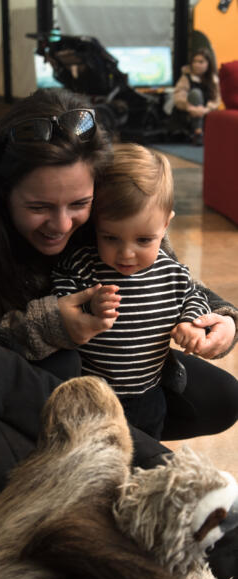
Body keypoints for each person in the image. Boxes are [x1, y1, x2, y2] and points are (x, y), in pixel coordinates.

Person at [0, 87, 238, 448]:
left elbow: (168, 275)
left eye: (79, 204)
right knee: (63, 365)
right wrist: (50, 326)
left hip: (126, 384)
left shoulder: (109, 201)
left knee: (223, 397)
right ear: (2, 192)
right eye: (39, 207)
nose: (63, 224)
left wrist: (222, 319)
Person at [51, 144, 211, 439]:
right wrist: (88, 307)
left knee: (145, 452)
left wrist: (192, 324)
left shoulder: (172, 272)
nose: (126, 253)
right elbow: (61, 298)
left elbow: (194, 297)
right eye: (110, 237)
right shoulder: (85, 266)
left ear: (165, 226)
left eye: (143, 240)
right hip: (93, 398)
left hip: (149, 395)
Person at [171, 47, 221, 145]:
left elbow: (216, 100)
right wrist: (189, 107)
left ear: (208, 64)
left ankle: (201, 133)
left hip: (206, 112)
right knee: (195, 93)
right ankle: (197, 132)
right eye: (194, 61)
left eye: (201, 62)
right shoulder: (186, 77)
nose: (197, 64)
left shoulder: (213, 79)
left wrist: (205, 109)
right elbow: (178, 96)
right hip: (188, 112)